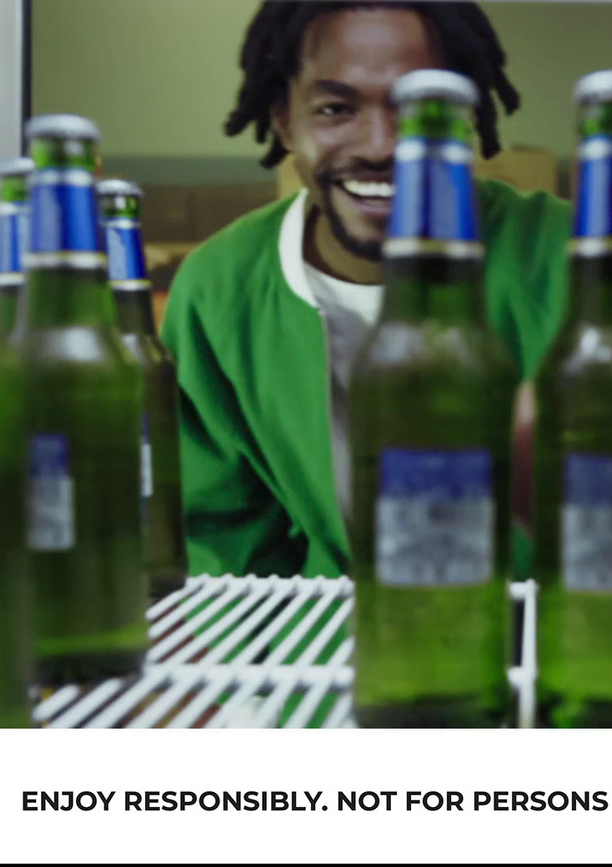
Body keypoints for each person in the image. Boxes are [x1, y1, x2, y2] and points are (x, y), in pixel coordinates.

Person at [161, 1, 572, 580]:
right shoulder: (219, 290)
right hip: (319, 650)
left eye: (419, 109)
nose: (381, 145)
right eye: (335, 108)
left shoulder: (566, 254)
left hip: (543, 643)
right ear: (284, 120)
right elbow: (221, 534)